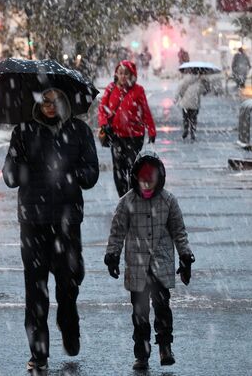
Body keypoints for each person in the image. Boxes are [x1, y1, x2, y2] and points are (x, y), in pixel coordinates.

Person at [2, 88, 99, 371]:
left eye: (55, 99)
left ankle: (69, 322)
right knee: (35, 290)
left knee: (69, 283)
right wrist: (22, 169)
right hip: (32, 221)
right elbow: (9, 175)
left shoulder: (79, 131)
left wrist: (71, 176)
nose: (49, 105)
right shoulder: (23, 131)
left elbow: (91, 172)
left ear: (65, 102)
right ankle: (38, 352)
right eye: (44, 99)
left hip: (67, 221)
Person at [103, 151, 195, 371]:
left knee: (162, 306)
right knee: (139, 311)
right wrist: (112, 255)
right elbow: (117, 232)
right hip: (137, 265)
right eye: (142, 180)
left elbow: (179, 231)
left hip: (161, 262)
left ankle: (165, 346)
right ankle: (141, 353)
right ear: (135, 179)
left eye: (150, 179)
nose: (146, 184)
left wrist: (185, 256)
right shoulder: (126, 203)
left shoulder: (168, 201)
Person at [97, 60, 156, 198]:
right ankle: (122, 197)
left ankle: (132, 194)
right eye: (121, 73)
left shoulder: (138, 90)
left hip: (134, 136)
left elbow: (145, 111)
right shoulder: (111, 88)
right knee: (118, 168)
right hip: (116, 136)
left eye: (126, 73)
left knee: (132, 167)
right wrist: (104, 123)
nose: (123, 76)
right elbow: (102, 109)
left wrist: (151, 130)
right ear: (116, 74)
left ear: (131, 75)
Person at [175, 72, 208, 141]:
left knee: (185, 117)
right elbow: (203, 92)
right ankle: (192, 132)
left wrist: (177, 97)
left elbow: (179, 89)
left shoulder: (185, 80)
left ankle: (185, 129)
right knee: (193, 118)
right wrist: (205, 84)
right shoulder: (199, 82)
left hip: (185, 103)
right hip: (195, 103)